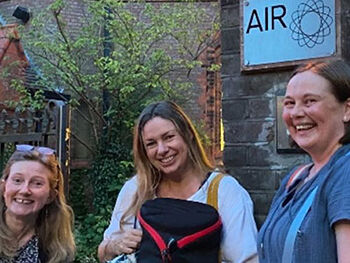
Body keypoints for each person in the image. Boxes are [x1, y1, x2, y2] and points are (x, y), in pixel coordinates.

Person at [98, 101, 258, 263]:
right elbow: (103, 252)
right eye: (151, 143)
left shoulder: (224, 192)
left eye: (168, 137)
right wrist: (116, 245)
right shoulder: (136, 190)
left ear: (188, 134)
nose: (162, 150)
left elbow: (249, 260)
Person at [257, 59, 350, 263]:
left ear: (347, 109)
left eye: (310, 101)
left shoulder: (345, 172)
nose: (297, 113)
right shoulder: (295, 178)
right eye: (290, 103)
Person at [0, 144, 75, 262]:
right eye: (17, 180)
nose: (25, 190)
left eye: (37, 183)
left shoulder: (56, 251)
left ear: (51, 196)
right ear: (4, 187)